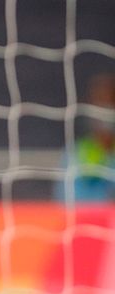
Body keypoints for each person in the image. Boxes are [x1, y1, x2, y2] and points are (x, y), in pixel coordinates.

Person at [56, 73, 115, 203]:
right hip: (86, 220)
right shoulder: (75, 152)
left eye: (109, 104)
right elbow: (64, 201)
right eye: (99, 104)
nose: (104, 112)